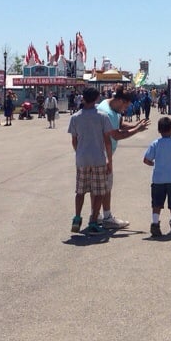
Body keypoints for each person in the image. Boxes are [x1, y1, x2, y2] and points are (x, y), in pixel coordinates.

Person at [95, 87, 150, 229]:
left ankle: (97, 215)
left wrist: (135, 125)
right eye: (126, 105)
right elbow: (116, 134)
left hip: (104, 154)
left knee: (100, 187)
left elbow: (119, 124)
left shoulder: (113, 108)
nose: (127, 108)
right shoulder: (105, 112)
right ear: (120, 100)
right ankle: (106, 217)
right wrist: (137, 130)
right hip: (102, 155)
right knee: (105, 187)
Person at [67, 87, 115, 234]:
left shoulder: (75, 117)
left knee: (80, 191)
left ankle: (77, 217)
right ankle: (94, 220)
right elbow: (107, 141)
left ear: (83, 98)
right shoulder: (102, 116)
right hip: (98, 158)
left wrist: (79, 152)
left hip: (82, 158)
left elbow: (74, 140)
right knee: (99, 191)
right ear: (96, 98)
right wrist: (109, 160)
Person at [143, 116, 171, 237]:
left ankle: (155, 223)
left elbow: (146, 160)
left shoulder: (155, 144)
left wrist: (153, 163)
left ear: (159, 130)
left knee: (157, 203)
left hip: (158, 179)